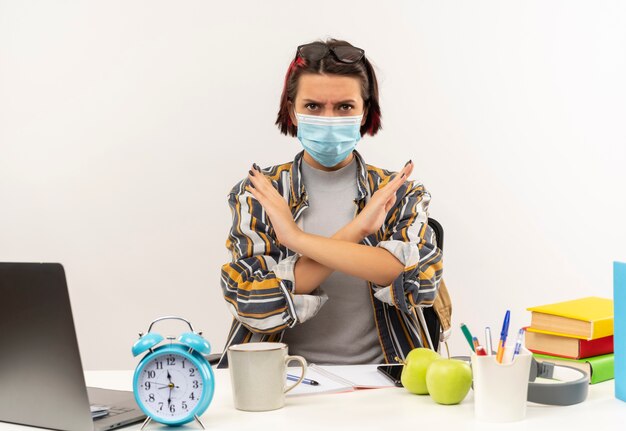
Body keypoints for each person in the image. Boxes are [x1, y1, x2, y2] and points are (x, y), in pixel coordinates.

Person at [217, 38, 443, 368]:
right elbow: (254, 301)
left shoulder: (397, 192)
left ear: (365, 111)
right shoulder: (262, 192)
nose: (329, 118)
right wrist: (358, 230)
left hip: (385, 379)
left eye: (344, 107)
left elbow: (409, 280)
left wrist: (296, 239)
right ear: (292, 111)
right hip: (277, 383)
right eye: (313, 106)